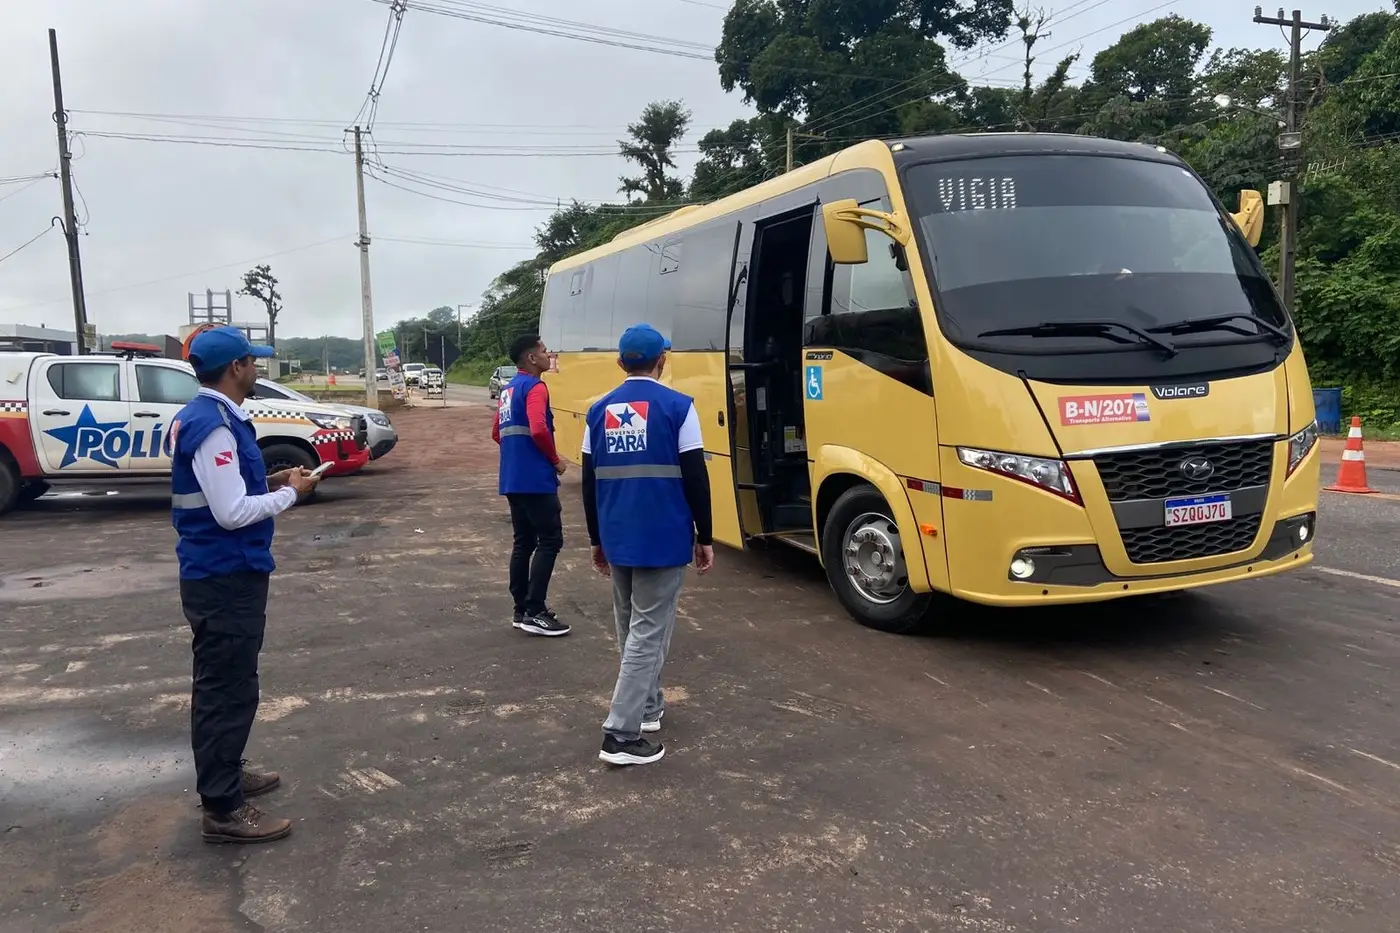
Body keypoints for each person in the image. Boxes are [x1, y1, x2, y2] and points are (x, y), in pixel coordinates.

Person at [170, 326, 321, 844]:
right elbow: (232, 513)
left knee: (229, 684)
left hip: (225, 570)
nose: (258, 369)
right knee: (227, 690)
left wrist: (275, 481)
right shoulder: (212, 425)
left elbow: (228, 492)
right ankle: (222, 808)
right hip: (225, 574)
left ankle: (226, 775)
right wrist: (291, 497)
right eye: (252, 362)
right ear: (235, 368)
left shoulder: (213, 417)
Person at [581, 323, 714, 766]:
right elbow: (696, 475)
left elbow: (588, 482)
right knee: (647, 630)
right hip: (663, 536)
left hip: (618, 534)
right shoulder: (679, 407)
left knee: (630, 624)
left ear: (620, 362)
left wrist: (597, 539)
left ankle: (649, 706)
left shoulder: (598, 410)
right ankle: (620, 734)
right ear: (663, 361)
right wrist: (706, 536)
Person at [492, 333, 571, 637]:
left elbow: (497, 432)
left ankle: (520, 609)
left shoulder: (508, 390)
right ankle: (535, 611)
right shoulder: (536, 387)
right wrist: (554, 460)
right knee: (550, 540)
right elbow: (538, 428)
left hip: (512, 478)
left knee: (523, 543)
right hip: (536, 480)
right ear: (531, 358)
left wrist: (517, 455)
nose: (548, 352)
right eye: (542, 349)